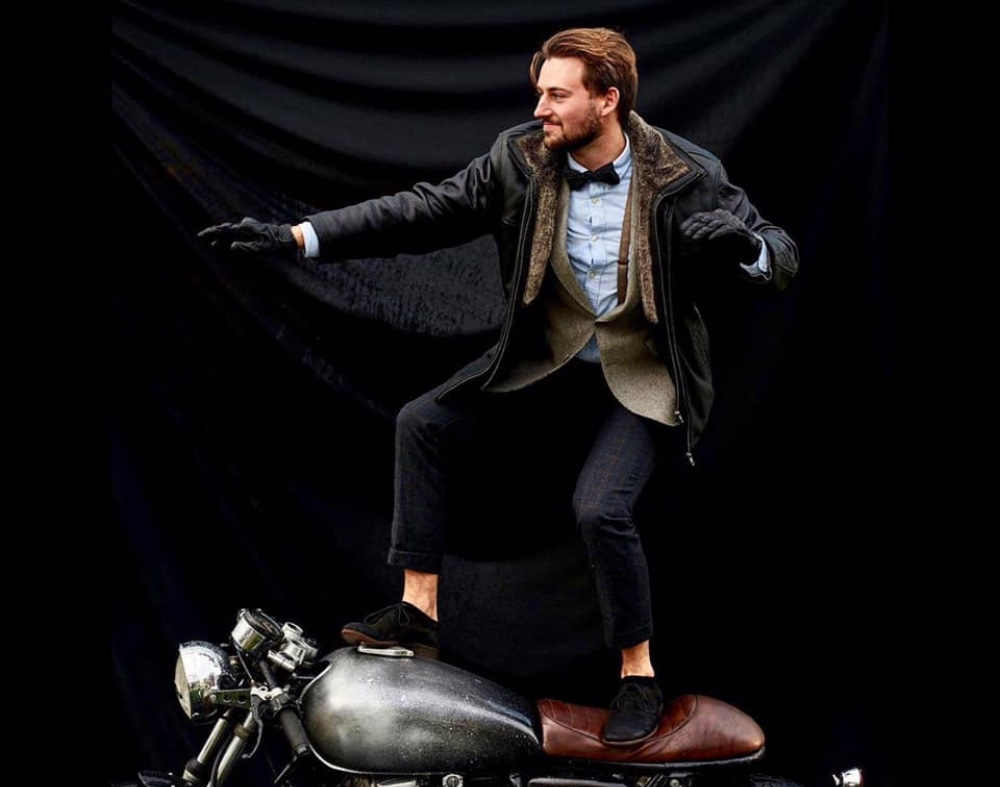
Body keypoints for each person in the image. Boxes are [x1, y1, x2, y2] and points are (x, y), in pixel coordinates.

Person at [198, 26, 799, 745]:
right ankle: (419, 612)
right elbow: (422, 210)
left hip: (640, 371)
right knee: (422, 422)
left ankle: (638, 674)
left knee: (600, 509)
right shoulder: (520, 160)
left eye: (557, 95)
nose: (540, 109)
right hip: (549, 359)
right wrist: (298, 237)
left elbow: (781, 254)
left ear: (608, 100)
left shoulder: (685, 172)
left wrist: (747, 248)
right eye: (539, 93)